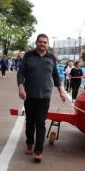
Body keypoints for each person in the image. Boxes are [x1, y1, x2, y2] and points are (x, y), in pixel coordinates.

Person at [17, 33, 66, 162]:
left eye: (45, 42)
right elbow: (21, 73)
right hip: (30, 94)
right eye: (40, 42)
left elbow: (56, 76)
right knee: (30, 121)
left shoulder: (51, 58)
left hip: (45, 95)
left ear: (47, 44)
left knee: (41, 122)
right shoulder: (28, 56)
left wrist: (61, 91)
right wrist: (21, 87)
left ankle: (38, 151)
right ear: (36, 42)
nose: (42, 44)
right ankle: (29, 142)